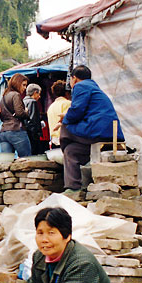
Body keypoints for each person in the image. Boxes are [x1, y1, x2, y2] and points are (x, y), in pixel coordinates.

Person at [60, 65, 124, 193]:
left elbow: (76, 111)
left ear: (74, 79)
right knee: (71, 151)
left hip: (99, 131)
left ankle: (62, 146)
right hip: (111, 133)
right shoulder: (94, 88)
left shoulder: (81, 86)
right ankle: (73, 187)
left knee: (65, 126)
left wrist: (64, 118)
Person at [0, 73, 31, 157]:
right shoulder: (15, 95)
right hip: (16, 130)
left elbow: (2, 117)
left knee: (6, 163)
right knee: (27, 160)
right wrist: (27, 112)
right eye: (23, 85)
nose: (25, 88)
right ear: (17, 83)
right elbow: (20, 113)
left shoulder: (3, 97)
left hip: (3, 132)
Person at [23, 83, 46, 155]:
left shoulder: (23, 101)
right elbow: (33, 120)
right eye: (38, 94)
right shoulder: (32, 102)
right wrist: (37, 133)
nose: (39, 96)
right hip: (32, 135)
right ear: (35, 92)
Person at [46, 80, 71, 147]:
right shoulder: (67, 103)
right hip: (66, 139)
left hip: (54, 140)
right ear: (67, 93)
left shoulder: (51, 107)